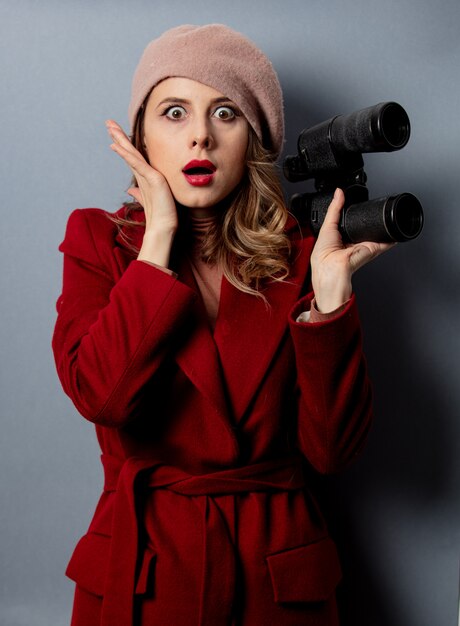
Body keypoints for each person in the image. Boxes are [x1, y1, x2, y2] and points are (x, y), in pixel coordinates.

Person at [52, 24, 392, 626]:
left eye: (226, 113)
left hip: (277, 581)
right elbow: (102, 394)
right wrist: (156, 239)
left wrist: (328, 308)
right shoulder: (98, 242)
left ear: (254, 139)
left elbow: (333, 453)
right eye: (174, 112)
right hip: (146, 576)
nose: (200, 136)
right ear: (142, 137)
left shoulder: (303, 255)